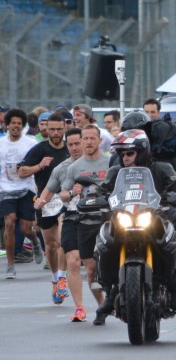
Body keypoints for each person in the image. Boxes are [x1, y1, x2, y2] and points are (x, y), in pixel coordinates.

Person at [97, 129, 176, 315]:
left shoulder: (162, 168)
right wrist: (94, 196)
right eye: (122, 154)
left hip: (154, 219)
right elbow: (102, 189)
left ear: (142, 151)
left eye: (130, 153)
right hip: (122, 219)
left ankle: (174, 294)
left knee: (171, 243)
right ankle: (109, 293)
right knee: (104, 243)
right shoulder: (116, 171)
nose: (125, 158)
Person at [34, 128, 87, 321]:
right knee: (58, 243)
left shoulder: (100, 162)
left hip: (96, 213)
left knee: (91, 263)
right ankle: (60, 279)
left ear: (86, 142)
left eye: (77, 143)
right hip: (69, 210)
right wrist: (40, 201)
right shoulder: (62, 168)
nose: (74, 148)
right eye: (70, 144)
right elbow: (47, 193)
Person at [59, 125, 110, 324]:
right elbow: (63, 194)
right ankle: (101, 305)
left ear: (99, 140)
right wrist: (73, 192)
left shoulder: (111, 161)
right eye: (85, 139)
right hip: (85, 219)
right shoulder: (75, 167)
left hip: (109, 218)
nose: (88, 142)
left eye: (92, 138)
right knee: (90, 269)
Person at [19, 113, 70, 304]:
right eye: (52, 129)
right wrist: (39, 166)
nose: (56, 133)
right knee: (51, 244)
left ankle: (63, 278)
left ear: (64, 128)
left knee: (64, 239)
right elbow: (21, 171)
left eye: (59, 129)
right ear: (46, 129)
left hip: (66, 199)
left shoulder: (70, 148)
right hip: (45, 200)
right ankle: (56, 279)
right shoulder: (39, 149)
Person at [0, 109, 44, 279]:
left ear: (23, 126)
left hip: (26, 188)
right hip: (5, 189)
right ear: (7, 125)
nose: (16, 126)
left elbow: (40, 163)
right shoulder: (2, 144)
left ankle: (34, 242)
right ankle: (10, 266)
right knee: (9, 222)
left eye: (19, 123)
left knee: (26, 229)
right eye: (13, 123)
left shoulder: (30, 143)